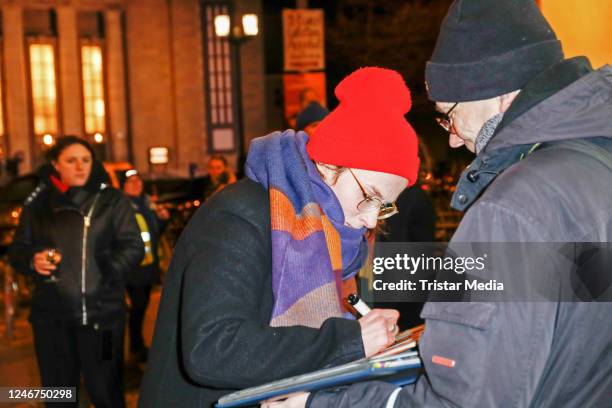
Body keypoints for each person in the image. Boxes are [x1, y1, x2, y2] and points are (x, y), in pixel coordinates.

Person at [281, 1, 612, 407]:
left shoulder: (511, 208)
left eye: (448, 115)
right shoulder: (596, 165)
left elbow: (466, 400)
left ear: (499, 93)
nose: (453, 138)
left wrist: (320, 404)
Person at [139, 67, 421, 407]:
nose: (371, 216)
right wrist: (348, 340)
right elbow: (211, 348)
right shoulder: (241, 214)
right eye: (370, 195)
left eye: (385, 205)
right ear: (330, 166)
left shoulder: (336, 238)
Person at [8, 136, 144, 408]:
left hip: (104, 319)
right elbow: (17, 251)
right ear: (56, 165)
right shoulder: (38, 204)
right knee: (59, 396)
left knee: (106, 392)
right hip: (52, 320)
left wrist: (105, 271)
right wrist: (32, 260)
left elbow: (133, 246)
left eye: (86, 159)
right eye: (71, 160)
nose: (80, 166)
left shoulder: (112, 200)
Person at [122, 169, 170, 363]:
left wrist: (162, 220)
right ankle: (135, 347)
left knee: (142, 308)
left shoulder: (146, 203)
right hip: (133, 268)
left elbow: (153, 232)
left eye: (138, 180)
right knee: (138, 307)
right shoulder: (122, 206)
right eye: (130, 181)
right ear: (123, 186)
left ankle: (138, 345)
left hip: (148, 266)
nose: (136, 184)